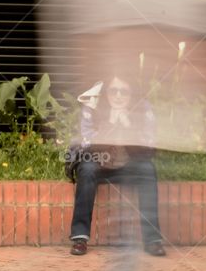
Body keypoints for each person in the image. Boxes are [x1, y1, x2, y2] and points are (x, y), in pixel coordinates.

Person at [67, 75, 166, 258]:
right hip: (99, 163)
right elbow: (87, 146)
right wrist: (111, 123)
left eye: (124, 91)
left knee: (147, 170)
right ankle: (79, 238)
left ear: (131, 93)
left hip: (130, 165)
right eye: (113, 90)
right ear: (106, 93)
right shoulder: (92, 108)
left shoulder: (143, 109)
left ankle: (152, 240)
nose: (118, 96)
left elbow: (149, 148)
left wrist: (128, 125)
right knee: (87, 169)